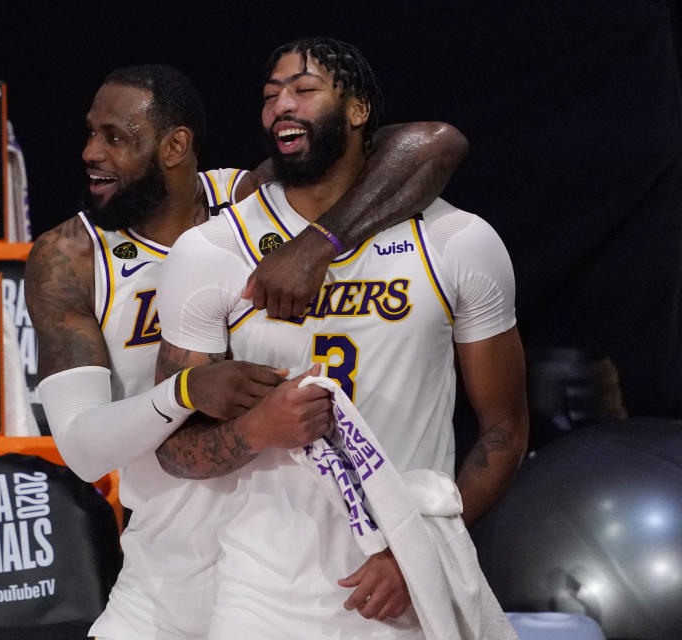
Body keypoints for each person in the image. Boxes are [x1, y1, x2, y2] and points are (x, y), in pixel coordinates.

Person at [26, 63, 467, 639]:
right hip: (168, 563)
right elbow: (81, 450)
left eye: (114, 137)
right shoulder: (70, 256)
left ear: (175, 146)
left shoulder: (248, 201)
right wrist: (185, 390)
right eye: (90, 133)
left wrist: (318, 242)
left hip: (290, 559)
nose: (90, 152)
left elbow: (436, 143)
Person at [154, 37, 528, 638]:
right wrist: (257, 428)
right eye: (271, 95)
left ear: (357, 111)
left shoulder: (459, 241)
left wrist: (418, 549)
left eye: (304, 90)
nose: (281, 105)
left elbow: (505, 429)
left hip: (404, 585)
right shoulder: (210, 251)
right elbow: (173, 448)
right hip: (260, 593)